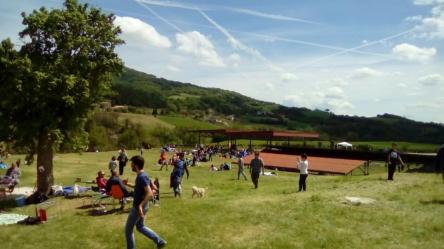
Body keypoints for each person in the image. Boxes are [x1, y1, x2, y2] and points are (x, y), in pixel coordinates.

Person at [124, 156, 166, 249]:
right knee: (140, 226)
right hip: (144, 206)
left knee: (128, 230)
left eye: (131, 164)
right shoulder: (143, 174)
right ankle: (160, 241)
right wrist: (127, 184)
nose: (130, 166)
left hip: (138, 208)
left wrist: (140, 206)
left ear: (135, 165)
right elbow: (140, 187)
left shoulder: (141, 177)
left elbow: (150, 193)